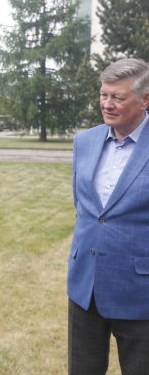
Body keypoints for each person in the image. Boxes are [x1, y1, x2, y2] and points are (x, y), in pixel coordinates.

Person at [68, 58, 149, 374]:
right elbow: (85, 208)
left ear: (145, 99)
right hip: (84, 287)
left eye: (118, 97)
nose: (108, 104)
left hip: (140, 292)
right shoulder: (84, 141)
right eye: (104, 95)